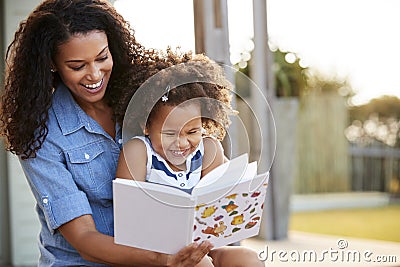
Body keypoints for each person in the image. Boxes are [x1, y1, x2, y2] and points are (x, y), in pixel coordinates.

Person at [0, 0, 214, 266]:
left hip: (162, 249)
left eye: (102, 58)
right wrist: (162, 259)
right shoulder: (40, 132)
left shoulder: (145, 99)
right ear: (52, 64)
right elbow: (85, 239)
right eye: (77, 66)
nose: (94, 74)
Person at [116, 51, 264, 267]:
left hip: (201, 246)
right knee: (201, 264)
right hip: (154, 255)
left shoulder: (209, 149)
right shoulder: (138, 151)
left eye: (192, 132)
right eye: (169, 134)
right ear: (146, 126)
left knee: (247, 258)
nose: (182, 143)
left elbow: (218, 205)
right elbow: (128, 216)